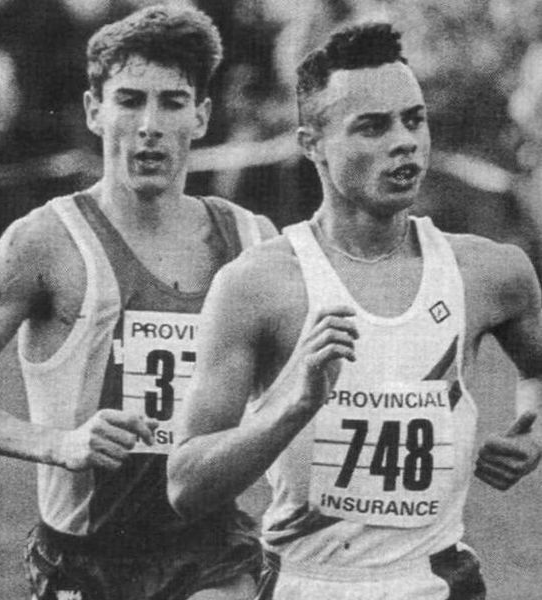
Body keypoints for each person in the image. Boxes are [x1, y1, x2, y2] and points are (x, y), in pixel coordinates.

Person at [167, 22, 542, 600]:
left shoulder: (490, 272)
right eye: (372, 126)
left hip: (438, 582)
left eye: (414, 119)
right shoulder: (258, 285)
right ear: (310, 142)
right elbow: (186, 486)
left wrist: (534, 434)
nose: (405, 142)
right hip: (306, 582)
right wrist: (296, 406)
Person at [0, 5, 276, 600]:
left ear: (203, 116)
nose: (150, 125)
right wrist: (59, 444)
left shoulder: (254, 242)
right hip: (85, 559)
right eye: (130, 101)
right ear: (94, 111)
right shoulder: (44, 242)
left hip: (212, 552)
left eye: (172, 102)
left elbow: (320, 377)